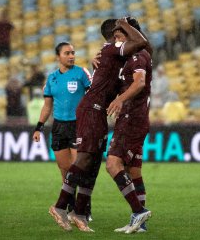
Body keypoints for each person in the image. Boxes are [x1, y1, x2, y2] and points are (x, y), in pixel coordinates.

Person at [49, 18, 149, 232]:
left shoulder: (112, 56)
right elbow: (141, 42)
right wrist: (125, 25)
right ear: (116, 35)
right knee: (84, 159)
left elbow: (142, 49)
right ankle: (60, 207)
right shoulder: (112, 49)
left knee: (93, 163)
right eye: (122, 33)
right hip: (90, 109)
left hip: (99, 112)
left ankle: (80, 212)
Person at [105, 20, 153, 234]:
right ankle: (139, 224)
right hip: (137, 117)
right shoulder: (137, 55)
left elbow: (140, 82)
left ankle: (138, 211)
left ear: (129, 35)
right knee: (133, 171)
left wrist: (120, 99)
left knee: (113, 164)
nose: (116, 41)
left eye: (118, 36)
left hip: (132, 118)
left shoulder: (137, 55)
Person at [33, 41, 91, 181]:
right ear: (58, 57)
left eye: (73, 53)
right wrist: (38, 127)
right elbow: (47, 106)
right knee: (64, 168)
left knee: (77, 168)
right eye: (67, 53)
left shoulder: (81, 73)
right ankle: (69, 201)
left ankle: (81, 201)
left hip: (78, 125)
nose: (71, 56)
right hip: (59, 126)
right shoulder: (52, 78)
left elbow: (93, 96)